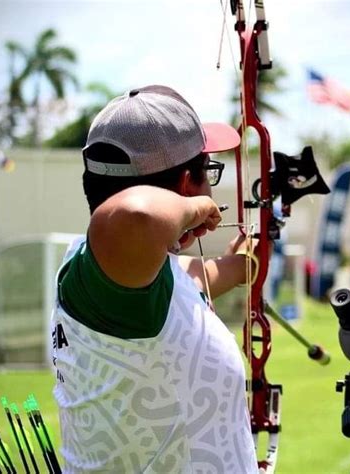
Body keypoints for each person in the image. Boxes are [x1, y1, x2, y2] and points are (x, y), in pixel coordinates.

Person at [52, 85, 259, 473]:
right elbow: (137, 215)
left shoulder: (135, 279)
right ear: (185, 184)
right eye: (208, 171)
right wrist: (198, 208)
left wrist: (250, 257)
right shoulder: (100, 276)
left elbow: (204, 276)